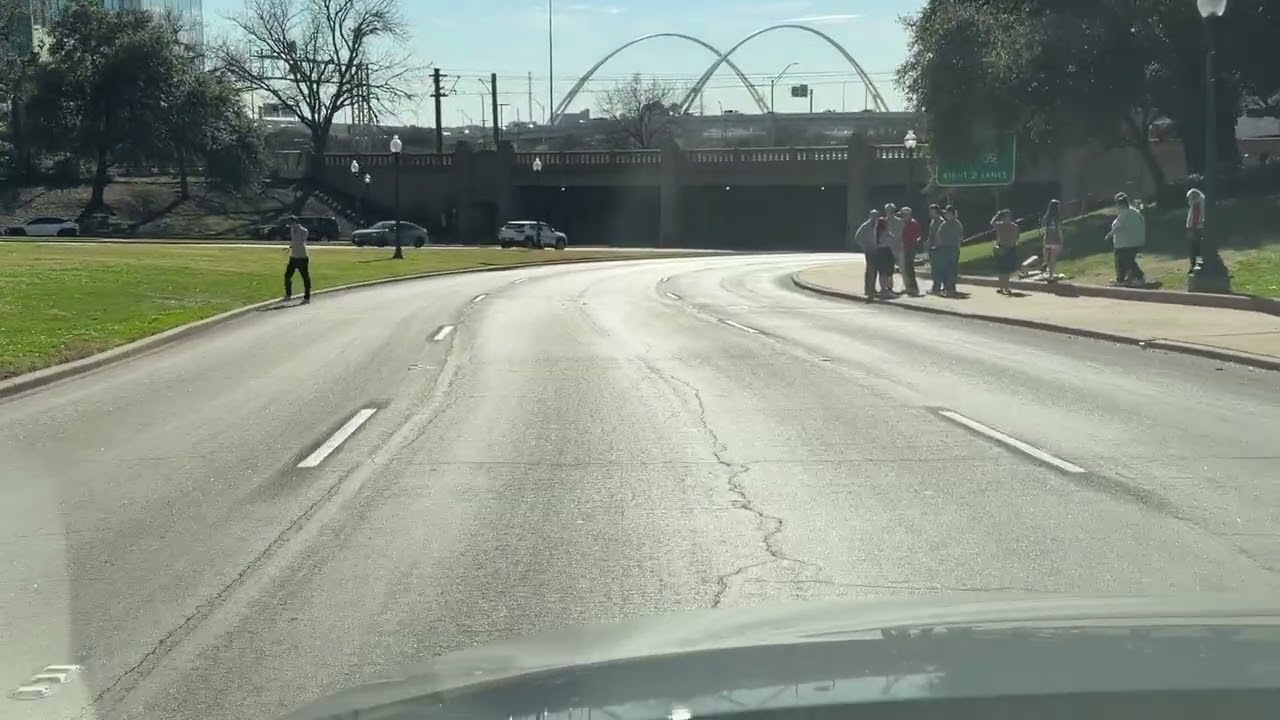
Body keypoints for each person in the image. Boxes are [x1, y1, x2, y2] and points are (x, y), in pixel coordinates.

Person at [1106, 192, 1146, 286]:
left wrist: (1110, 234)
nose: (1117, 205)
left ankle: (1135, 278)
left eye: (1118, 203)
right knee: (1127, 260)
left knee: (1122, 260)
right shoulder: (1134, 212)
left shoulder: (1125, 213)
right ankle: (1125, 278)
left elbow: (1118, 226)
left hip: (1126, 243)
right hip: (1135, 242)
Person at [933, 205, 964, 296]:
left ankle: (951, 288)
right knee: (944, 270)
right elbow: (938, 236)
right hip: (943, 249)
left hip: (952, 249)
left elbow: (959, 238)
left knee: (951, 270)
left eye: (947, 213)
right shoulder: (944, 224)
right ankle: (947, 288)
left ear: (951, 214)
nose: (945, 215)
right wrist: (937, 247)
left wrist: (957, 248)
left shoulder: (957, 225)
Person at [990, 209, 1020, 295]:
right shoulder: (1010, 226)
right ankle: (1004, 287)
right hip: (1006, 249)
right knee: (1004, 270)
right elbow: (1017, 237)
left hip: (1006, 249)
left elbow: (992, 222)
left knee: (1004, 270)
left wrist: (997, 215)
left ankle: (1003, 287)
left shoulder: (1006, 226)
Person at [854, 209, 882, 301]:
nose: (875, 217)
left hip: (877, 249)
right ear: (870, 216)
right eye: (873, 215)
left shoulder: (878, 225)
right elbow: (857, 237)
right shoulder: (866, 225)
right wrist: (864, 245)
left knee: (875, 270)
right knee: (870, 269)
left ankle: (872, 288)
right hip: (869, 250)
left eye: (876, 215)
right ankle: (868, 289)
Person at [285, 216, 312, 303]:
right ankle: (288, 295)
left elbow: (301, 241)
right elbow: (294, 241)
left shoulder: (303, 230)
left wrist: (295, 243)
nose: (289, 225)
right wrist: (291, 246)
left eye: (290, 223)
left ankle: (306, 298)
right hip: (293, 257)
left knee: (305, 278)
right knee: (287, 276)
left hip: (302, 257)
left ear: (295, 222)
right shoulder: (292, 230)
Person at [898, 206, 922, 295]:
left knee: (909, 268)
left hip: (910, 248)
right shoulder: (903, 223)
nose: (902, 217)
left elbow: (916, 236)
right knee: (905, 269)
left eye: (904, 215)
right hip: (903, 247)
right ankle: (908, 287)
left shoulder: (913, 224)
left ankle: (914, 288)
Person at [874, 211, 898, 298]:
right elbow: (892, 239)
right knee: (885, 272)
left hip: (880, 251)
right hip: (884, 251)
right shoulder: (883, 232)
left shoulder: (876, 232)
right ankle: (885, 290)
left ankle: (884, 289)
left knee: (882, 272)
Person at [1042, 199, 1063, 282]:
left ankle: (1045, 266)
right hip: (1055, 239)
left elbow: (1044, 230)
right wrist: (1061, 240)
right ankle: (1050, 276)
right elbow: (1059, 230)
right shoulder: (1057, 217)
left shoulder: (1046, 217)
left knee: (1047, 257)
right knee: (1053, 258)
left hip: (1047, 239)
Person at [1186, 187, 1206, 274]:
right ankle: (1194, 265)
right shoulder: (1197, 203)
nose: (1189, 200)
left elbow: (1195, 218)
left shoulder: (1197, 204)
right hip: (1195, 228)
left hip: (1196, 228)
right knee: (1195, 247)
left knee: (1195, 247)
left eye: (1190, 198)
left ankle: (1195, 266)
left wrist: (1190, 229)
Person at [926, 204, 943, 294]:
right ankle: (935, 286)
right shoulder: (933, 221)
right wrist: (928, 243)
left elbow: (941, 235)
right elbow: (931, 234)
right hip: (932, 247)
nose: (930, 213)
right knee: (934, 268)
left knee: (938, 268)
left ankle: (938, 287)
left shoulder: (941, 222)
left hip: (938, 247)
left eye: (932, 211)